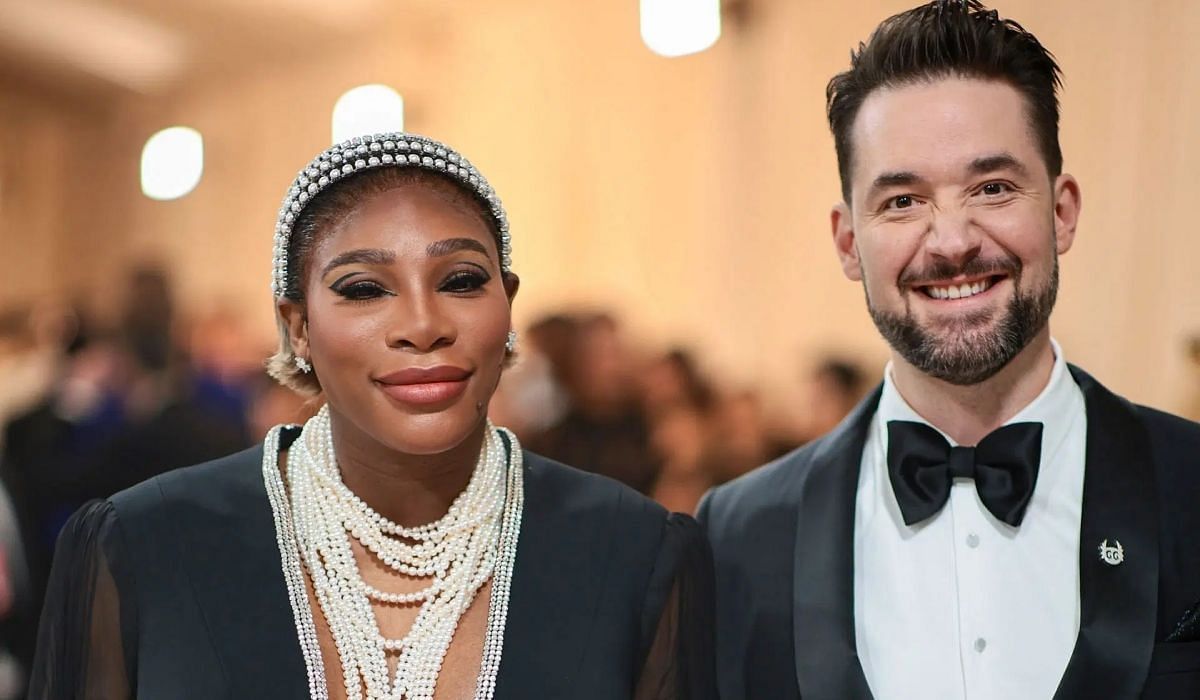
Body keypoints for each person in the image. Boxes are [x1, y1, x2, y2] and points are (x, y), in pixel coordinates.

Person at [30, 133, 714, 699]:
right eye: (363, 289)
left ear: (507, 305)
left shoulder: (633, 555)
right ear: (297, 327)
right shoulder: (148, 545)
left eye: (462, 281)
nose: (422, 324)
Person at [698, 2, 1200, 699]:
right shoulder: (736, 538)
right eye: (902, 201)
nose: (952, 240)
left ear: (1061, 212)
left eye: (992, 188)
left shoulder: (1192, 484)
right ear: (849, 242)